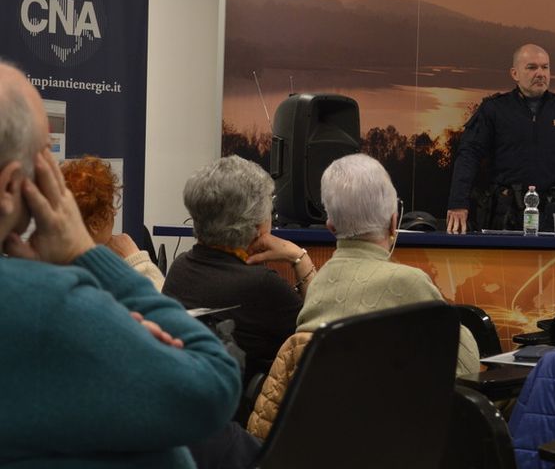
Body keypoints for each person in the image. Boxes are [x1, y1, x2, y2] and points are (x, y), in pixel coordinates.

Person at [0, 61, 240, 467]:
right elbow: (214, 384)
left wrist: (112, 328)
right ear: (9, 186)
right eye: (45, 154)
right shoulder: (40, 302)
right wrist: (85, 255)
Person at [246, 153, 480, 438]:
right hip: (394, 441)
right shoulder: (410, 282)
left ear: (331, 226)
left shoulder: (319, 285)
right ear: (393, 222)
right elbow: (467, 368)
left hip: (322, 444)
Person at [163, 155, 315, 385]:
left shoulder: (180, 268)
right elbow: (320, 342)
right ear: (257, 226)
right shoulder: (262, 285)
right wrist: (300, 258)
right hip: (246, 406)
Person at [446, 43, 555, 236]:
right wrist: (458, 203)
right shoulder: (494, 109)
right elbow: (468, 156)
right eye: (532, 67)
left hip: (554, 217)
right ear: (515, 73)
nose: (540, 73)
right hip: (503, 215)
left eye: (545, 67)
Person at [62, 154, 165, 290]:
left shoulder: (56, 264)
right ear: (95, 223)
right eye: (110, 206)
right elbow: (159, 301)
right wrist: (136, 258)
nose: (115, 212)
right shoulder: (93, 280)